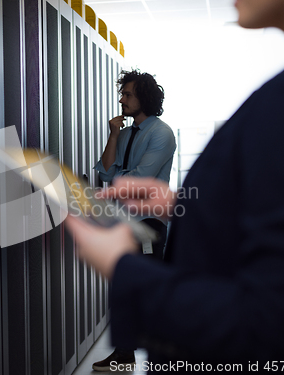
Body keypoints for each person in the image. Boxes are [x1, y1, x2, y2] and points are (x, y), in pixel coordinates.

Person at [66, 0, 284, 372]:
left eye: (128, 94)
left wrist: (121, 267)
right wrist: (183, 203)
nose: (122, 99)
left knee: (147, 266)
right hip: (139, 213)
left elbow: (280, 324)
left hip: (150, 238)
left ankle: (124, 356)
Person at [91, 70, 176, 371]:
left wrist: (115, 178)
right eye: (122, 93)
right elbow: (104, 173)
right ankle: (125, 353)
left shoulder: (161, 133)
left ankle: (165, 354)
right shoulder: (125, 134)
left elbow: (139, 179)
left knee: (149, 289)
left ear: (145, 98)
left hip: (148, 224)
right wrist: (113, 135)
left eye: (128, 94)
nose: (122, 99)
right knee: (124, 288)